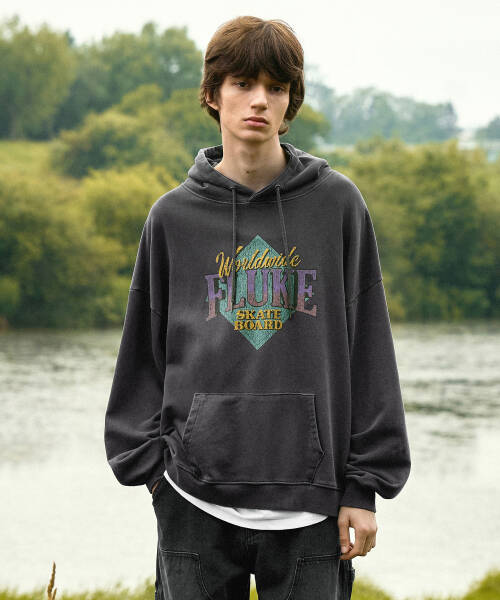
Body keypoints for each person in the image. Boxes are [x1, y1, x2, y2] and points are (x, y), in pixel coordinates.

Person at [104, 15, 411, 600]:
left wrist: (364, 486)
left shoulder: (337, 206)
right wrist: (154, 475)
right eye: (243, 84)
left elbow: (369, 349)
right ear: (212, 94)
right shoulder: (171, 218)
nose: (259, 101)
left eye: (276, 87)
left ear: (291, 100)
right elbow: (142, 354)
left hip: (313, 505)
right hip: (192, 500)